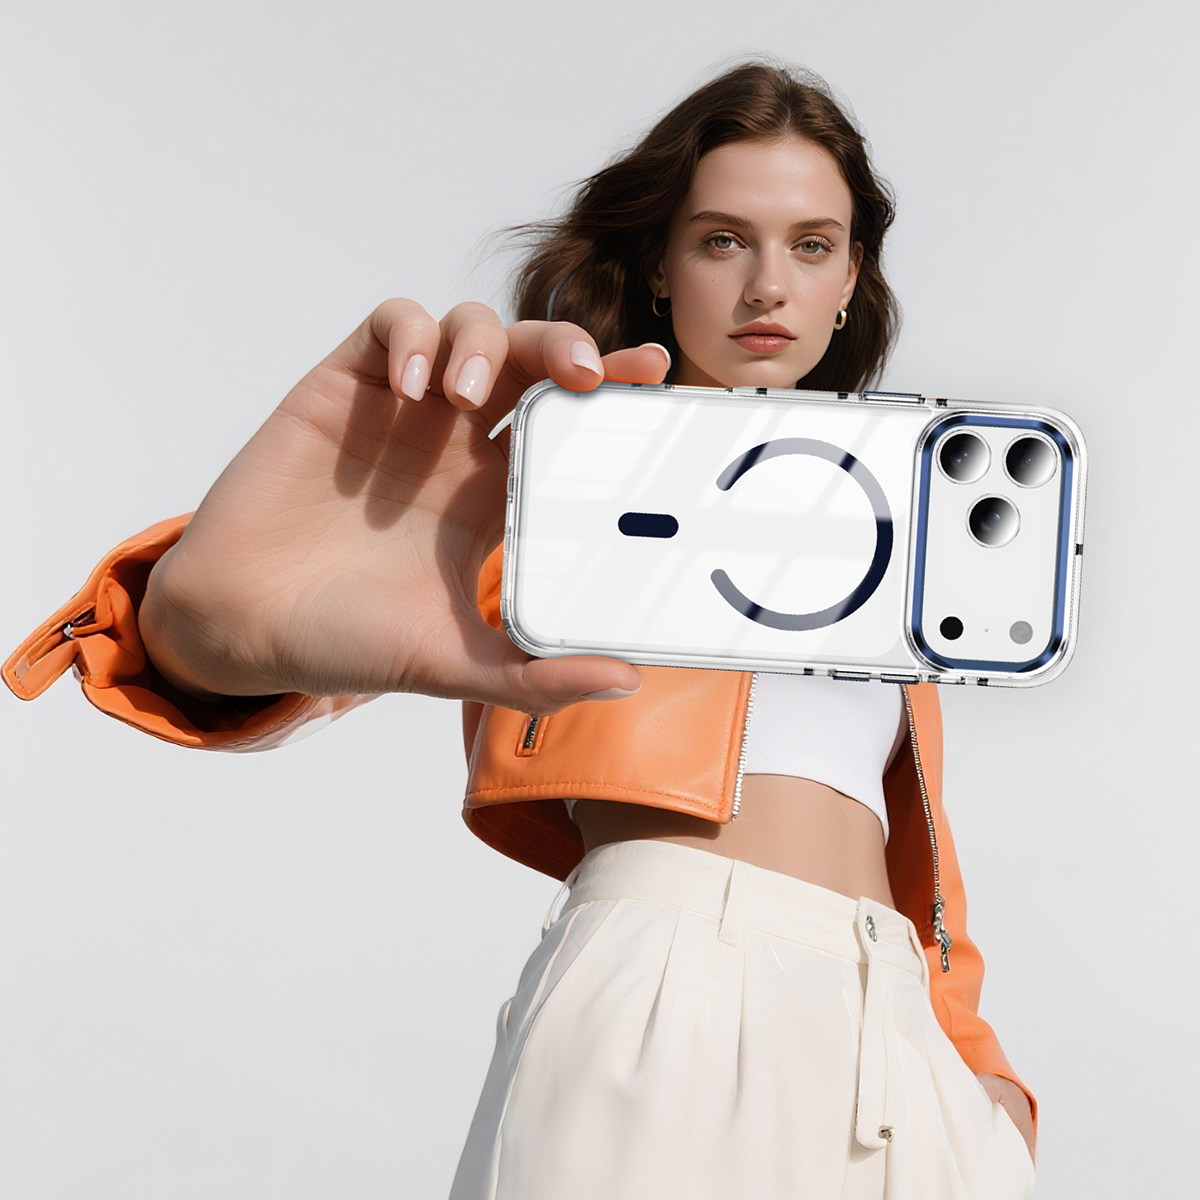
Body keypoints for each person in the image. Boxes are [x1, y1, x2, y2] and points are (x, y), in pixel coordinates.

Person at [5, 62, 1036, 1198]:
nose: (766, 286)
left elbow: (918, 854)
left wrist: (981, 1077)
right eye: (722, 241)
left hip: (898, 1044)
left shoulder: (894, 535)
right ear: (660, 266)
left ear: (850, 278)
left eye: (810, 244)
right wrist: (200, 611)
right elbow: (220, 652)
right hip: (667, 985)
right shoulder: (556, 483)